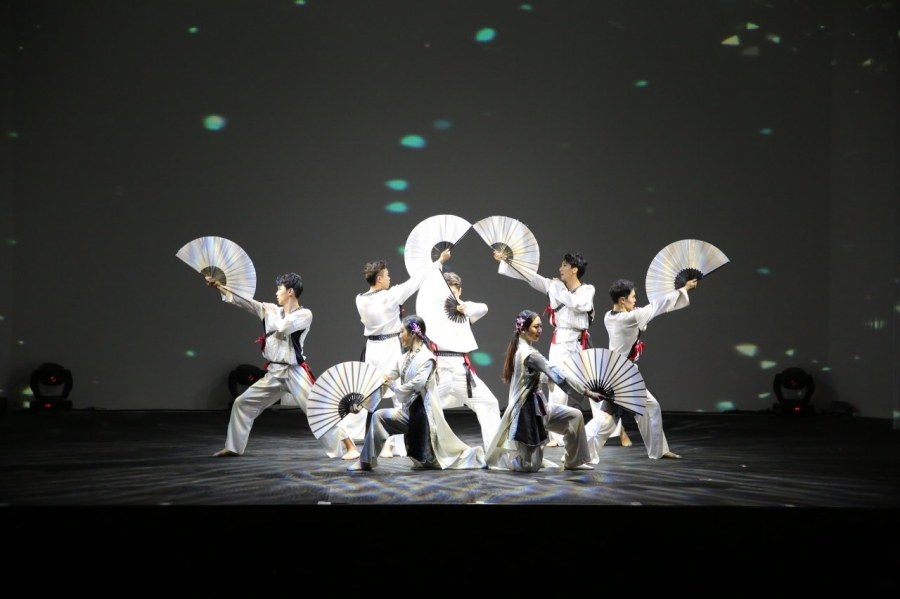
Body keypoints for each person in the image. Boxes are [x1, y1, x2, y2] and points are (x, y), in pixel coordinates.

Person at [206, 273, 358, 459]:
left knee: (317, 408)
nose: (276, 293)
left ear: (290, 291)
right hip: (274, 372)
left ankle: (350, 447)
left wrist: (270, 313)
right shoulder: (272, 310)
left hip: (294, 372)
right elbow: (245, 302)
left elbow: (284, 328)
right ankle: (233, 447)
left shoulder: (304, 314)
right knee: (242, 403)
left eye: (279, 289)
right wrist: (219, 286)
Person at [492, 251, 609, 446]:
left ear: (574, 269)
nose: (560, 269)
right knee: (556, 385)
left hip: (580, 341)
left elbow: (580, 304)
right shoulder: (553, 285)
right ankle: (555, 436)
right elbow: (530, 276)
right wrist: (508, 261)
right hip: (561, 340)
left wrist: (557, 288)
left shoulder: (587, 289)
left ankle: (601, 429)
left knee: (593, 385)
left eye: (564, 265)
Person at [347, 315, 487, 471]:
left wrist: (394, 387)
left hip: (424, 416)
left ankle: (474, 455)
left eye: (402, 332)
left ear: (413, 333)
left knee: (433, 461)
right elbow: (385, 380)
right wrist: (362, 404)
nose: (399, 336)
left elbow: (417, 385)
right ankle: (366, 462)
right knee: (379, 416)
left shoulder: (427, 358)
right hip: (409, 413)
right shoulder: (404, 358)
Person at [349, 249, 451, 457]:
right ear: (379, 279)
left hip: (371, 348)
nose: (390, 278)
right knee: (399, 395)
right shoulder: (391, 295)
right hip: (389, 346)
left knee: (370, 396)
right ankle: (392, 445)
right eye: (387, 275)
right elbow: (416, 280)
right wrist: (438, 261)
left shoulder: (359, 299)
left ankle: (366, 443)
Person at [584, 278, 698, 462]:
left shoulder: (609, 316)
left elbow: (638, 317)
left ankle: (658, 450)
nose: (635, 300)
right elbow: (659, 305)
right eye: (633, 296)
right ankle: (580, 452)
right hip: (622, 375)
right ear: (622, 300)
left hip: (618, 371)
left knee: (648, 407)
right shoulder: (632, 317)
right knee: (606, 419)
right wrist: (684, 289)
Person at [484, 310, 603, 472]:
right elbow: (554, 372)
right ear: (523, 329)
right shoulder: (527, 353)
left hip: (541, 407)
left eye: (540, 326)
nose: (539, 330)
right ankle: (501, 459)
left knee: (574, 416)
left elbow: (540, 375)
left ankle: (574, 461)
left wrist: (552, 378)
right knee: (530, 466)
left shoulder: (524, 349)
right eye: (535, 327)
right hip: (526, 412)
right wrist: (587, 392)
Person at [431, 271, 502, 449]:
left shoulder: (465, 311)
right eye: (447, 293)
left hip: (461, 370)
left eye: (454, 293)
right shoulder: (433, 312)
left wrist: (465, 306)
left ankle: (493, 452)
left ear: (460, 291)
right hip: (439, 370)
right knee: (424, 408)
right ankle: (424, 451)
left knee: (489, 402)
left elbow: (483, 308)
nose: (450, 298)